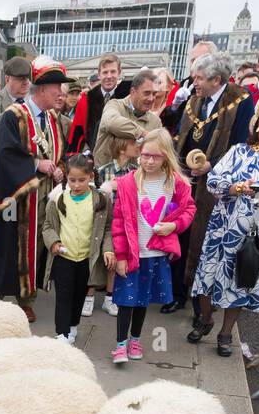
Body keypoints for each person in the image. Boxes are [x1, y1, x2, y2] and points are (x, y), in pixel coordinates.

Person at [190, 101, 259, 355]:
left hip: (256, 234)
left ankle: (225, 334)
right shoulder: (239, 151)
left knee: (241, 283)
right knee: (207, 277)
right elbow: (213, 180)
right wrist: (236, 188)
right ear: (258, 125)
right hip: (221, 228)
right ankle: (206, 319)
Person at [0, 61, 69, 319]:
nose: (61, 93)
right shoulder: (13, 115)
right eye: (56, 89)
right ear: (41, 90)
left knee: (39, 246)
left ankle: (27, 297)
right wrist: (35, 164)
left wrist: (59, 167)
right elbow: (6, 156)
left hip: (45, 195)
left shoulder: (53, 119)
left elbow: (59, 152)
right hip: (19, 196)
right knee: (8, 246)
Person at [169, 53, 255, 317]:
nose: (194, 82)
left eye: (199, 78)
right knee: (181, 234)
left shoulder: (240, 100)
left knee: (204, 241)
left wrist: (213, 165)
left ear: (216, 79)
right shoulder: (195, 101)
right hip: (187, 180)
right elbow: (180, 135)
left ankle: (200, 304)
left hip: (217, 186)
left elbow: (241, 145)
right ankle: (178, 293)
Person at [109, 128, 196, 366]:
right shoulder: (127, 183)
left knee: (142, 301)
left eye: (155, 156)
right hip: (133, 253)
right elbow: (118, 222)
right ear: (139, 153)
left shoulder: (176, 183)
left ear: (166, 156)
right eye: (145, 154)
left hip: (156, 254)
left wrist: (173, 226)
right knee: (126, 300)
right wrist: (121, 256)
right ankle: (119, 345)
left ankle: (135, 340)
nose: (149, 160)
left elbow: (189, 210)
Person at [43, 154, 113, 344]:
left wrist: (108, 250)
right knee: (63, 296)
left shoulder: (101, 200)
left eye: (81, 180)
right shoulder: (58, 199)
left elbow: (107, 229)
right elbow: (48, 225)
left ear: (90, 177)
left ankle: (73, 326)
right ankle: (62, 334)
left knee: (79, 296)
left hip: (86, 259)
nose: (76, 184)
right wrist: (54, 243)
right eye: (72, 180)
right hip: (64, 256)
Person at [93, 134, 140, 315]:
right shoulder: (104, 170)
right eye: (133, 144)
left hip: (124, 220)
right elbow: (96, 196)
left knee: (117, 255)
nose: (137, 147)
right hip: (104, 219)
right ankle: (88, 296)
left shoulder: (135, 172)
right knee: (98, 256)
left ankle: (110, 297)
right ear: (122, 148)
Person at [67, 54, 130, 153]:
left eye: (113, 72)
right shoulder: (86, 100)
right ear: (99, 75)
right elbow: (77, 135)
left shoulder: (128, 99)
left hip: (121, 157)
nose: (109, 76)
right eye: (105, 72)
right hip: (93, 159)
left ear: (119, 73)